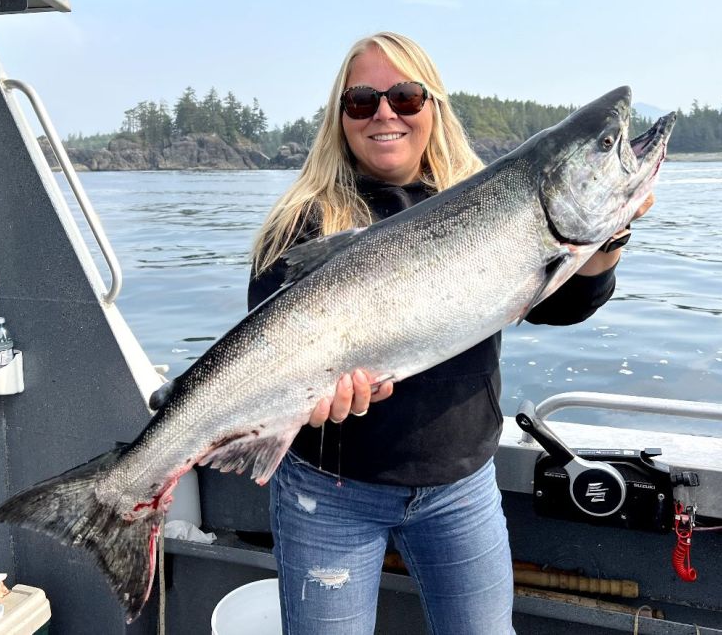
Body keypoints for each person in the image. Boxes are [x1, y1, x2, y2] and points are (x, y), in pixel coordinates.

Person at [248, 31, 652, 635]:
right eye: (362, 100)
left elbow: (559, 306)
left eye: (406, 96)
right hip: (329, 495)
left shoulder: (490, 200)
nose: (385, 113)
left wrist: (608, 239)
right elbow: (263, 356)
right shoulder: (301, 223)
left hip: (461, 488)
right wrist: (314, 404)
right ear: (341, 117)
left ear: (433, 106)